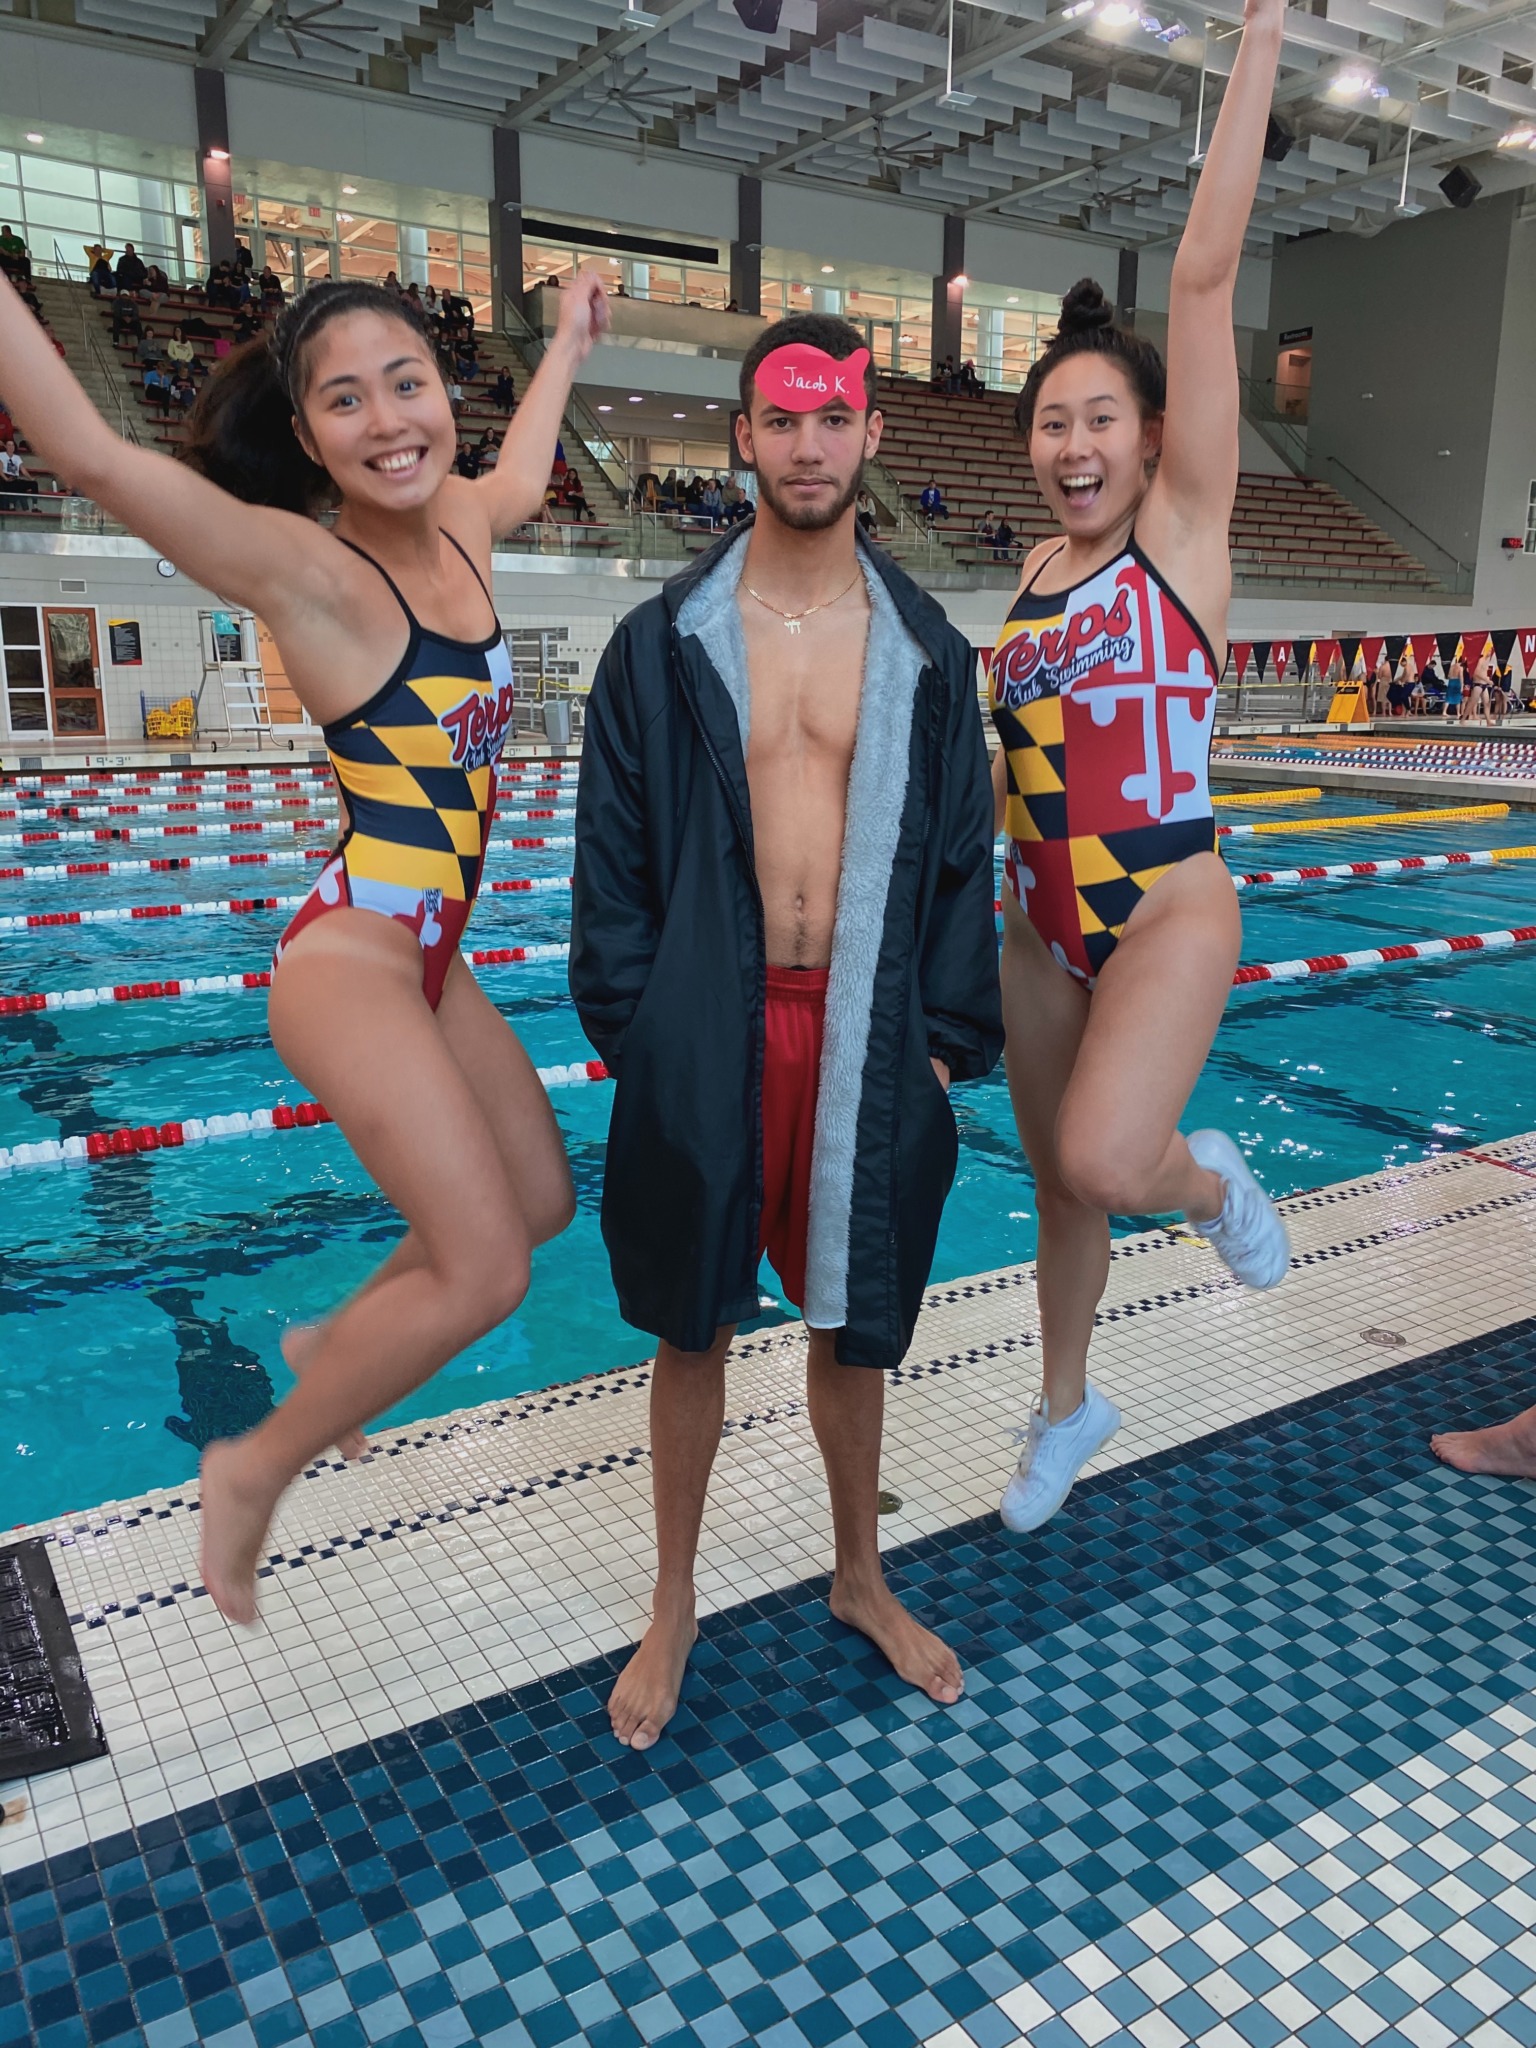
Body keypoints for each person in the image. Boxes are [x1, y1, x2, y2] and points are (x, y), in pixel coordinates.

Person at [0, 259, 612, 1622]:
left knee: (543, 1202)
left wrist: (566, 336)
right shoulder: (307, 569)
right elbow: (88, 451)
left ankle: (338, 1338)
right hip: (349, 965)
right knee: (486, 1265)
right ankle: (256, 1466)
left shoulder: (464, 521)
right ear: (306, 426)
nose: (390, 420)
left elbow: (520, 465)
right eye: (348, 400)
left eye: (408, 384)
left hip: (432, 959)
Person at [571, 312, 1003, 1750]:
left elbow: (959, 865)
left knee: (853, 1330)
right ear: (741, 438)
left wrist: (941, 1054)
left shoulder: (931, 652)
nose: (808, 445)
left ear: (872, 435)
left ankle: (859, 1575)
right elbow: (613, 870)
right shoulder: (661, 646)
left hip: (872, 1032)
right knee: (691, 1330)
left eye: (835, 419)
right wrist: (652, 1038)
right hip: (711, 1029)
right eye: (782, 419)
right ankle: (677, 1594)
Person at [985, 0, 1290, 1539]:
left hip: (1165, 899)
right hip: (1037, 923)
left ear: (1150, 434)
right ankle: (1066, 1406)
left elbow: (1207, 272)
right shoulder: (1034, 575)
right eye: (1051, 422)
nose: (1074, 441)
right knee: (1054, 1186)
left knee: (1113, 1158)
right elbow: (1008, 768)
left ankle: (1218, 1185)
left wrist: (1258, 37)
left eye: (1100, 417)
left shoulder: (1181, 537)